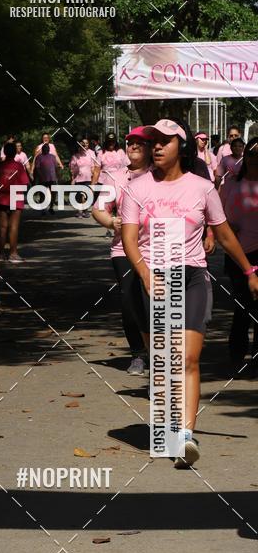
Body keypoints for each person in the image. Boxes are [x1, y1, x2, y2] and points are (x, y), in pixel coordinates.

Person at [121, 119, 258, 469]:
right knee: (163, 361)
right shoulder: (136, 187)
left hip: (192, 275)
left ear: (181, 146)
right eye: (154, 141)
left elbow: (224, 233)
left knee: (188, 358)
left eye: (165, 141)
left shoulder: (202, 187)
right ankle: (166, 428)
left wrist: (248, 269)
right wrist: (146, 275)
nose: (157, 147)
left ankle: (184, 436)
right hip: (149, 275)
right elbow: (129, 237)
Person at [92, 127, 152, 375]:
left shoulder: (159, 176)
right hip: (122, 250)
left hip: (156, 249)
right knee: (129, 302)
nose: (133, 146)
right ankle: (138, 354)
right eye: (130, 143)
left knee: (155, 302)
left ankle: (160, 353)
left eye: (140, 143)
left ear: (150, 148)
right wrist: (110, 221)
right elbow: (98, 209)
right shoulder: (114, 177)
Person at [219, 137, 258, 374]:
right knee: (242, 303)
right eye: (253, 153)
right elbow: (218, 217)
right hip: (237, 253)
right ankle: (236, 352)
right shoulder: (232, 183)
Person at [0, 140, 28, 259]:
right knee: (14, 226)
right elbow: (25, 183)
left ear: (5, 152)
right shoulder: (19, 166)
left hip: (1, 197)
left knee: (2, 226)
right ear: (14, 153)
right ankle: (13, 253)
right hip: (16, 196)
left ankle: (0, 253)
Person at [69, 138, 96, 218]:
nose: (85, 145)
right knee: (79, 195)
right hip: (78, 178)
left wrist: (94, 176)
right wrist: (72, 178)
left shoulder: (91, 153)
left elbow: (94, 165)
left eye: (87, 143)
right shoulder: (76, 156)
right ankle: (80, 211)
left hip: (88, 177)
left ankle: (84, 210)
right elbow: (72, 168)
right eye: (83, 143)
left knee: (85, 194)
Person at [34, 142, 58, 214]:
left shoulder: (52, 157)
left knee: (53, 193)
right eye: (44, 148)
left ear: (49, 149)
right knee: (42, 194)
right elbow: (37, 168)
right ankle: (43, 208)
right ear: (42, 149)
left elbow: (56, 167)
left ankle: (51, 207)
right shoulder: (39, 157)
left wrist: (57, 176)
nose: (46, 149)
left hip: (52, 178)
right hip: (43, 178)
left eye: (47, 148)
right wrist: (39, 176)